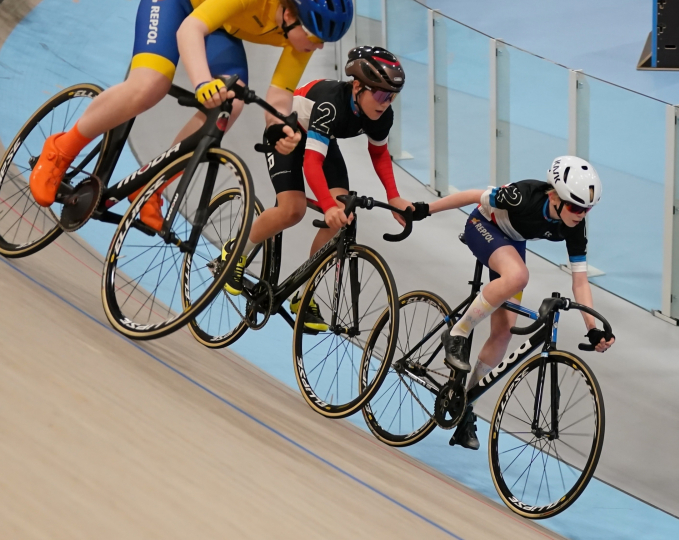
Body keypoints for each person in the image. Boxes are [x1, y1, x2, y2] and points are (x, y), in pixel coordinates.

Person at [28, 0, 352, 231]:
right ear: (290, 14)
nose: (319, 46)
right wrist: (201, 82)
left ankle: (151, 184)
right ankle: (60, 149)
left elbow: (279, 97)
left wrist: (280, 128)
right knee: (150, 84)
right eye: (315, 36)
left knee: (231, 104)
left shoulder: (300, 37)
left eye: (325, 40)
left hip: (221, 26)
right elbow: (190, 29)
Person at [415, 156, 615, 450]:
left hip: (512, 241)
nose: (580, 214)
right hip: (482, 224)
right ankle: (457, 332)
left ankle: (464, 406)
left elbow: (580, 281)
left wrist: (592, 329)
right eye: (575, 206)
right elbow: (473, 195)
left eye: (587, 209)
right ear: (555, 197)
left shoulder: (575, 226)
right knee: (519, 275)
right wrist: (423, 210)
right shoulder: (524, 196)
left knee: (504, 332)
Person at [221, 46, 413, 331]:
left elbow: (379, 154)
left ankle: (303, 293)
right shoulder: (330, 104)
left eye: (392, 96)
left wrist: (393, 196)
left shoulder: (382, 115)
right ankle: (235, 252)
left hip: (321, 138)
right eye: (381, 94)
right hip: (288, 135)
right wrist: (326, 205)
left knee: (343, 214)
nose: (386, 102)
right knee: (293, 209)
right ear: (358, 86)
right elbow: (311, 163)